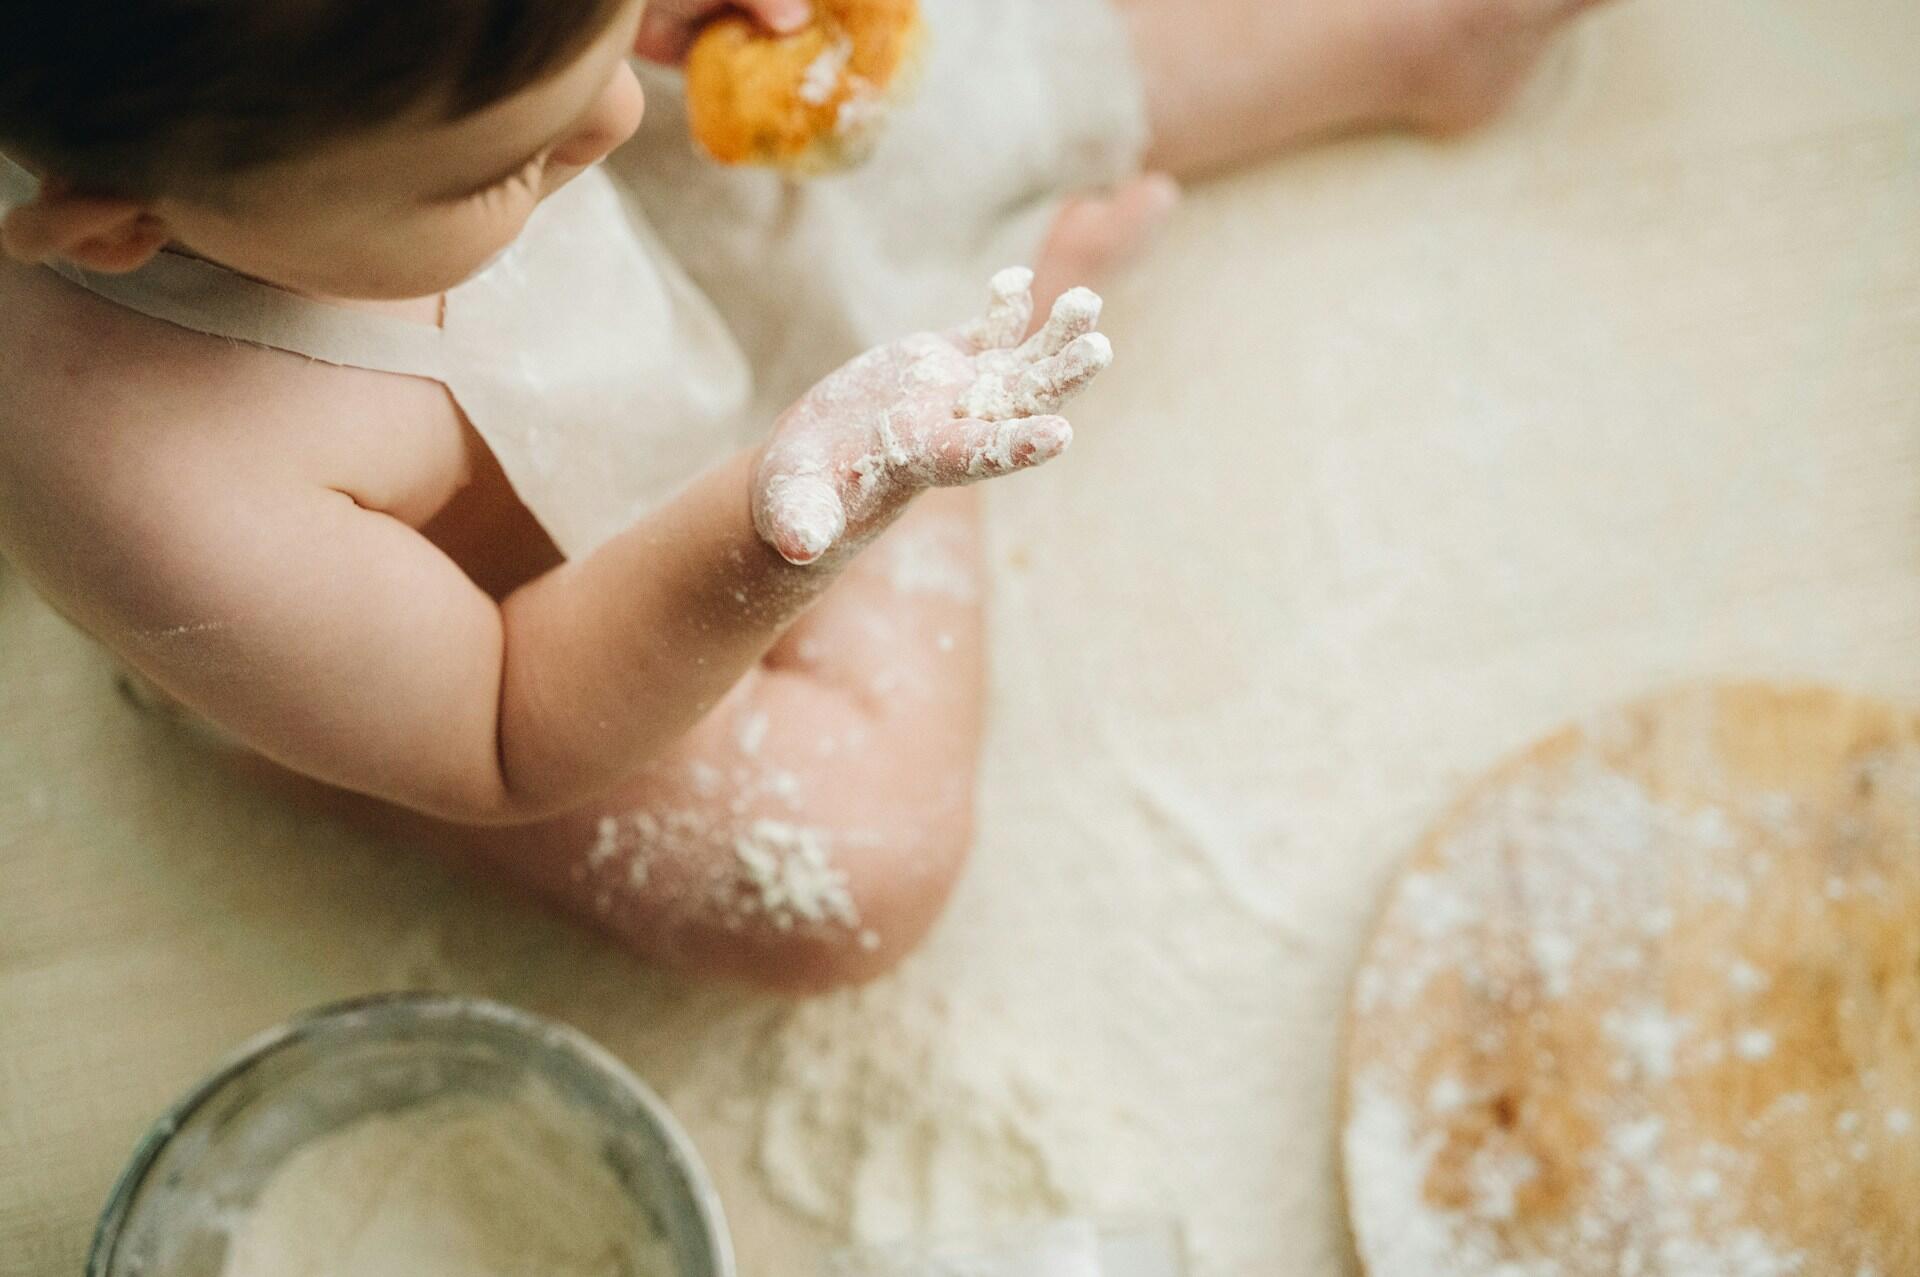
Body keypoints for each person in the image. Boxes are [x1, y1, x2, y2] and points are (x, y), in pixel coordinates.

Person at [0, 0, 1607, 992]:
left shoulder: (464, 104)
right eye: (514, 162)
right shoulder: (154, 471)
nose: (618, 127)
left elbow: (583, 94)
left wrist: (643, 31)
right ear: (121, 232)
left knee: (897, 77)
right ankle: (950, 359)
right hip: (492, 625)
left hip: (553, 230)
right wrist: (799, 508)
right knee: (849, 867)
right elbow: (506, 725)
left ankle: (1376, 35)